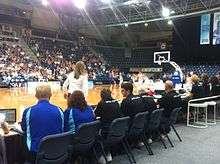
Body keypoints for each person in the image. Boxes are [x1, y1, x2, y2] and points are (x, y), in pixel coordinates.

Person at [21, 84, 64, 161]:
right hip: (58, 153)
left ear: (36, 95)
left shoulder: (28, 111)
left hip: (35, 154)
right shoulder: (59, 110)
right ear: (50, 95)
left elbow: (24, 128)